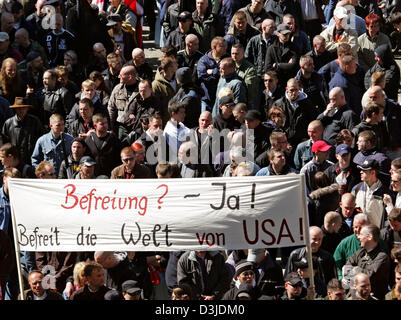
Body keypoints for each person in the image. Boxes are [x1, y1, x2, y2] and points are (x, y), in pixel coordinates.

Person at [345, 224, 391, 299]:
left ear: (369, 237)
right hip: (354, 296)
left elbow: (369, 275)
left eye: (361, 234)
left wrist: (355, 270)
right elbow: (346, 267)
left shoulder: (382, 257)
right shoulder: (360, 252)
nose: (358, 237)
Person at [2, 97, 43, 166]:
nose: (21, 110)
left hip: (31, 159)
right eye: (18, 108)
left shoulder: (34, 121)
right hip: (14, 160)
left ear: (27, 109)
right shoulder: (8, 123)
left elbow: (41, 140)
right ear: (15, 109)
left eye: (23, 108)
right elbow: (4, 143)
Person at [352, 159, 388, 228]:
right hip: (359, 233)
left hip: (377, 235)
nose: (361, 172)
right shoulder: (356, 188)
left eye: (364, 170)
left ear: (373, 172)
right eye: (361, 169)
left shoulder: (385, 193)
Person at [197, 36, 229, 111]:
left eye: (225, 46)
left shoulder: (227, 58)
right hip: (207, 99)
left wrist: (213, 71)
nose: (225, 48)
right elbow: (202, 77)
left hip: (222, 99)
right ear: (214, 47)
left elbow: (229, 72)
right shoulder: (203, 60)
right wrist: (218, 74)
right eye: (222, 46)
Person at [108, 65, 138, 140]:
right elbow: (111, 108)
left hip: (137, 127)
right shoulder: (118, 89)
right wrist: (110, 127)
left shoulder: (143, 88)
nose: (118, 77)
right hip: (121, 127)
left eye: (121, 75)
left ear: (130, 77)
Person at [231, 43, 259, 110]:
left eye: (237, 54)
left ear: (243, 53)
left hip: (244, 103)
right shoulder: (229, 65)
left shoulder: (250, 69)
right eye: (232, 53)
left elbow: (250, 90)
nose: (234, 56)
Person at [152, 57, 178, 126]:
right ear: (170, 68)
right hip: (165, 122)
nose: (177, 65)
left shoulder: (178, 80)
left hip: (178, 120)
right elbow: (156, 106)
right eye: (175, 64)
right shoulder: (156, 85)